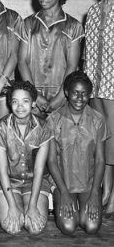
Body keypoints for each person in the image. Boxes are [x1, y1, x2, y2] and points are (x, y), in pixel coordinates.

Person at [47, 71, 107, 235]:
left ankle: (83, 203)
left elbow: (101, 160)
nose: (80, 98)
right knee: (68, 227)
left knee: (91, 226)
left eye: (85, 94)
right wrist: (64, 193)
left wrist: (95, 192)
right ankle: (64, 199)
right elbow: (52, 161)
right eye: (75, 93)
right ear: (66, 92)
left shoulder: (97, 119)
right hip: (63, 181)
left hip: (88, 182)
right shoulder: (53, 119)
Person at [19, 0, 83, 118]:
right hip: (33, 93)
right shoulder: (28, 23)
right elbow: (22, 62)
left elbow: (72, 65)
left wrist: (61, 97)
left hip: (62, 93)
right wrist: (35, 94)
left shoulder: (73, 26)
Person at [0, 81, 52, 235]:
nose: (20, 106)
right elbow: (2, 171)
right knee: (13, 228)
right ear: (9, 103)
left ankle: (29, 205)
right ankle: (14, 205)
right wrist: (12, 206)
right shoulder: (0, 128)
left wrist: (32, 206)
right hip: (8, 182)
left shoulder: (44, 127)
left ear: (33, 103)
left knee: (35, 228)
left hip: (34, 181)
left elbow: (39, 169)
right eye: (15, 101)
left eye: (25, 101)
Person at [84, 0, 114, 217]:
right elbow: (88, 54)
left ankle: (112, 197)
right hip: (95, 87)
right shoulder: (92, 12)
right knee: (102, 140)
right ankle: (104, 190)